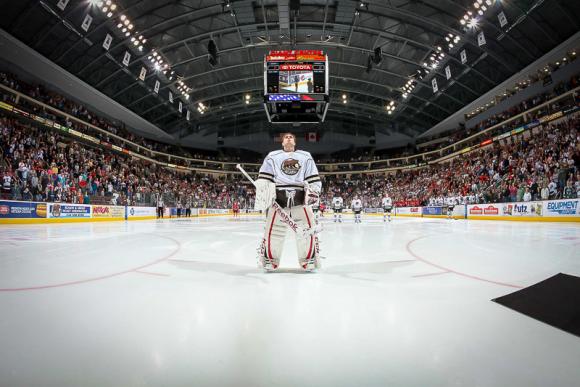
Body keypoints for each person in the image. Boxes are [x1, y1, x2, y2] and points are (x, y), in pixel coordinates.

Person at [254, 132, 322, 271]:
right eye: (286, 137)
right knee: (274, 231)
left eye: (291, 137)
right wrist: (262, 188)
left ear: (295, 142)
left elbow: (313, 178)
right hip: (278, 200)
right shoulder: (273, 156)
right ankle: (270, 260)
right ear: (282, 142)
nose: (289, 138)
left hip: (300, 199)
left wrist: (314, 194)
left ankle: (308, 260)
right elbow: (264, 177)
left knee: (306, 230)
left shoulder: (305, 156)